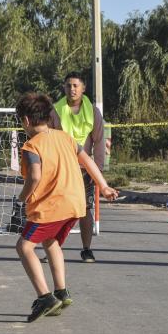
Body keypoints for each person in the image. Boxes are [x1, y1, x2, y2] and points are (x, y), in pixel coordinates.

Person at [14, 93, 119, 322]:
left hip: (50, 206)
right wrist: (104, 186)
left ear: (26, 121)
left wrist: (22, 198)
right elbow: (88, 161)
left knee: (24, 247)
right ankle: (61, 291)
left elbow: (34, 177)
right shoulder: (66, 138)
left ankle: (44, 297)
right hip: (74, 205)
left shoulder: (31, 146)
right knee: (51, 242)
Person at [49, 71, 106, 263]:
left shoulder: (93, 112)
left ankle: (87, 249)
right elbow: (49, 139)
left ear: (83, 88)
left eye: (75, 85)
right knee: (58, 209)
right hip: (61, 168)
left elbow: (98, 142)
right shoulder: (55, 111)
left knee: (84, 208)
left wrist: (96, 170)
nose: (72, 89)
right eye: (68, 86)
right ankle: (53, 249)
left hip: (84, 169)